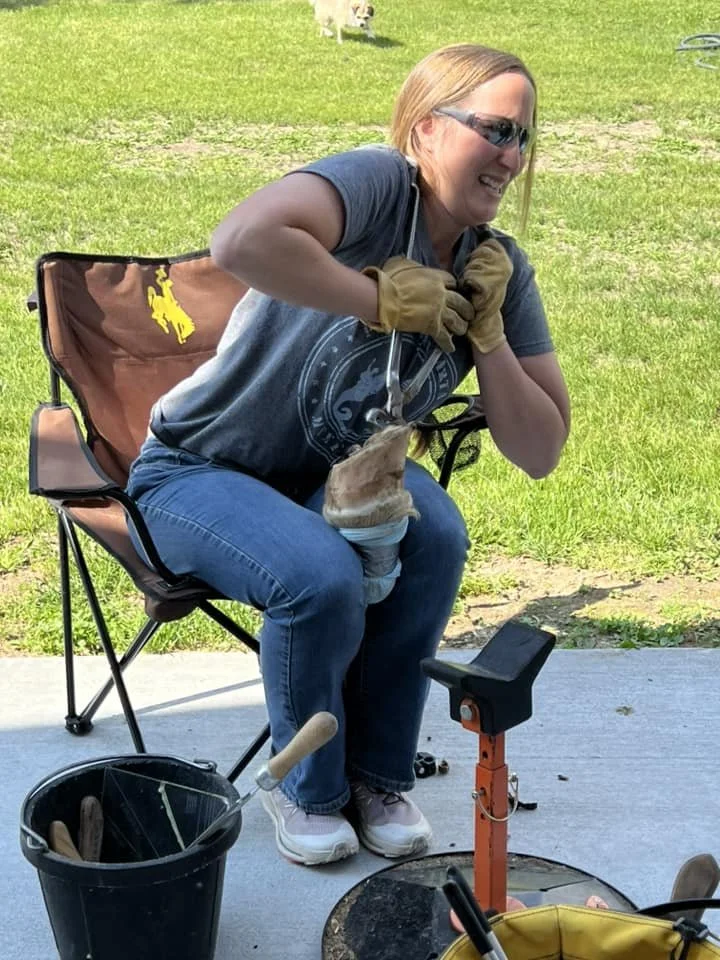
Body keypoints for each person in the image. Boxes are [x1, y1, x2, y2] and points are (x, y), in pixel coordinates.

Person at [126, 42, 570, 867]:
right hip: (197, 470)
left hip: (338, 478)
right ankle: (308, 788)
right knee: (320, 574)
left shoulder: (496, 267)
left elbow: (541, 447)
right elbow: (241, 240)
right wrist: (380, 299)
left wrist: (489, 335)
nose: (511, 156)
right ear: (427, 129)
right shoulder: (375, 187)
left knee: (438, 537)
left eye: (523, 137)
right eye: (494, 129)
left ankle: (378, 776)